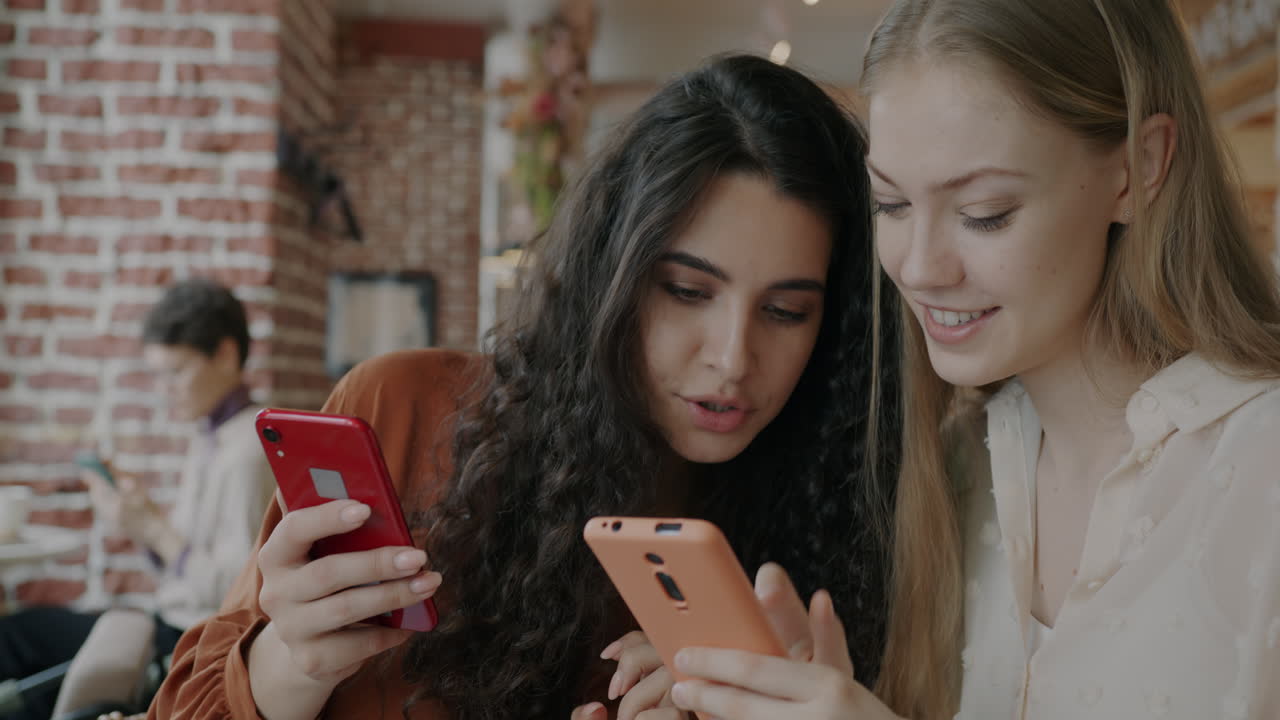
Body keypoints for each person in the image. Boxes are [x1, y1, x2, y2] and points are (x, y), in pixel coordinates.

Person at [148, 53, 910, 720]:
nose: (734, 358)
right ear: (611, 276)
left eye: (786, 311)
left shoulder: (834, 537)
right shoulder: (407, 413)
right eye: (685, 291)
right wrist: (289, 662)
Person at [603, 1, 1280, 719]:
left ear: (1138, 169)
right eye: (891, 204)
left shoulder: (1258, 469)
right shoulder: (958, 466)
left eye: (984, 212)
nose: (920, 268)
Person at [0, 279, 275, 720]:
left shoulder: (248, 451)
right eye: (158, 373)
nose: (165, 388)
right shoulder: (211, 435)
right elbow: (184, 559)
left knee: (16, 641)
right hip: (168, 624)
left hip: (188, 638)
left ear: (225, 354)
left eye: (176, 371)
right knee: (20, 638)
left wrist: (156, 532)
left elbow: (240, 595)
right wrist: (140, 523)